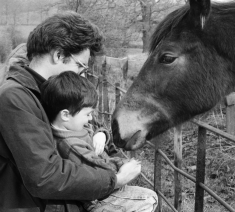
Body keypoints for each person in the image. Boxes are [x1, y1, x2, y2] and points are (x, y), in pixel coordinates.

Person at [0, 11, 157, 212]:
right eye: (80, 67)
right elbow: (44, 176)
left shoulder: (51, 91)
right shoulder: (15, 98)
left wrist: (101, 133)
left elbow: (87, 125)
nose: (81, 76)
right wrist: (114, 180)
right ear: (58, 55)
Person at [40, 71, 157, 212]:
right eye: (87, 114)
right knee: (149, 198)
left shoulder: (74, 127)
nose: (90, 118)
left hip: (104, 189)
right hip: (99, 199)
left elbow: (93, 127)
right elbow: (100, 170)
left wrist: (101, 134)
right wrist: (123, 165)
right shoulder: (72, 146)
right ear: (65, 115)